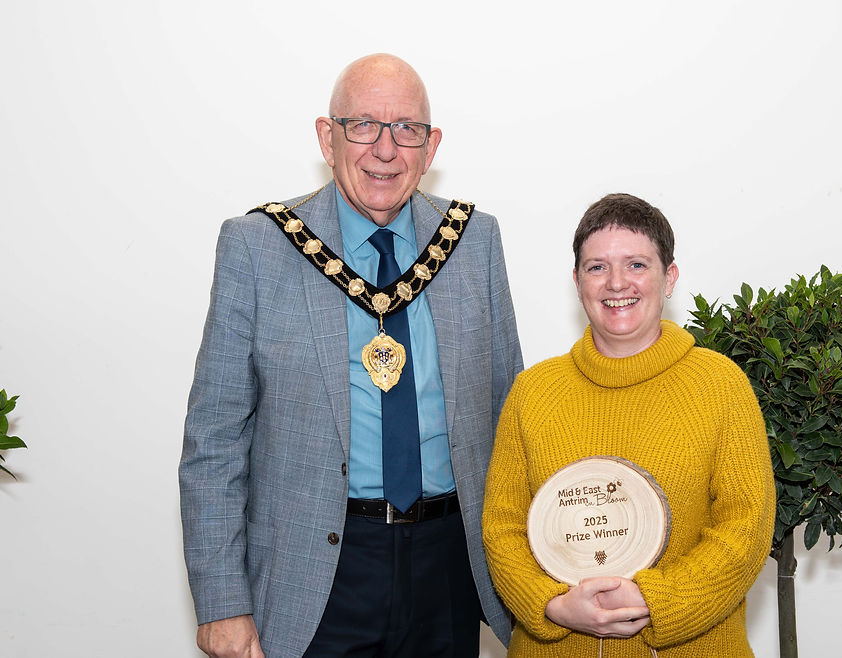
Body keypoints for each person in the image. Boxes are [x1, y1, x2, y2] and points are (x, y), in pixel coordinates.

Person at [180, 53, 523, 658]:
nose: (385, 150)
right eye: (363, 124)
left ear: (431, 145)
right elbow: (215, 441)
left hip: (449, 568)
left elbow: (510, 416)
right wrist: (222, 602)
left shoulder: (474, 242)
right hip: (318, 572)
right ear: (326, 136)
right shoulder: (258, 247)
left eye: (407, 129)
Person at [483, 193, 775, 657]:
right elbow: (502, 528)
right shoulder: (533, 393)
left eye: (636, 264)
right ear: (577, 281)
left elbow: (745, 528)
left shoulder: (721, 386)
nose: (616, 283)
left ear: (670, 277)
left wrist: (655, 600)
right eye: (597, 267)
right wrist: (553, 605)